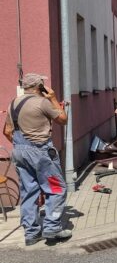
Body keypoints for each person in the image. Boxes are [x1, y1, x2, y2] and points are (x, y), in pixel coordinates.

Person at [2, 73, 71, 246]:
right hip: (40, 152)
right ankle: (52, 227)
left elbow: (7, 131)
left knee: (29, 191)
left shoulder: (12, 103)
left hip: (18, 151)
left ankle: (31, 233)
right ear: (39, 86)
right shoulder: (43, 102)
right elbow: (63, 119)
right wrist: (54, 98)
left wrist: (22, 147)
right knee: (56, 188)